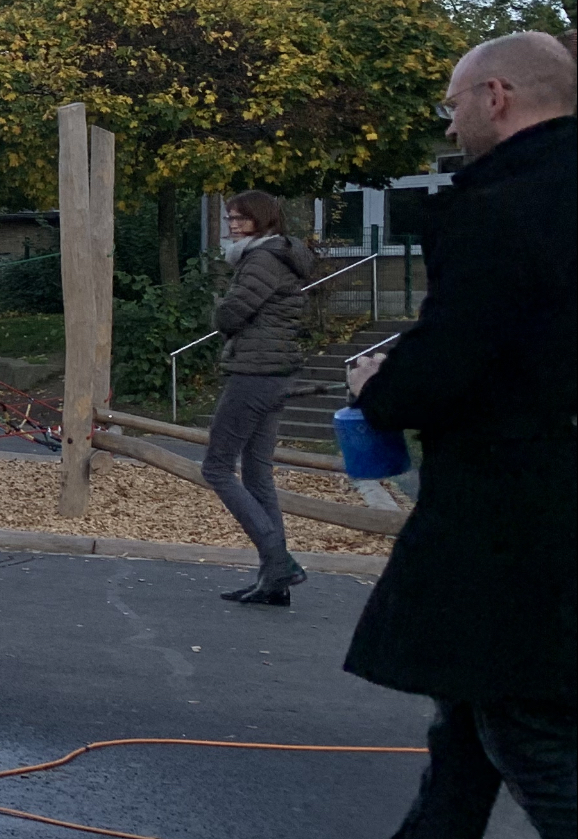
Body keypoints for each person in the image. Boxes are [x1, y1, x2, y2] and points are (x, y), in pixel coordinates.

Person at [342, 31, 574, 838]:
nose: (450, 126)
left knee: (526, 727)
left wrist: (382, 389)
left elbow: (454, 357)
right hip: (543, 489)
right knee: (469, 726)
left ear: (496, 96)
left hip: (519, 508)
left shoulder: (503, 203)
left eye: (453, 104)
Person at [201, 190, 313, 606]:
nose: (232, 224)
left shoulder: (262, 259)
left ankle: (279, 561)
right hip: (277, 372)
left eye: (240, 219)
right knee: (257, 473)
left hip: (255, 372)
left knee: (215, 467)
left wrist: (220, 314)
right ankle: (274, 582)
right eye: (229, 218)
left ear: (261, 220)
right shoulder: (278, 257)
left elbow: (231, 314)